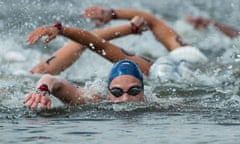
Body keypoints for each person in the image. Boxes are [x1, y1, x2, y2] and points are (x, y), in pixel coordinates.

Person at [29, 6, 208, 75]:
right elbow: (95, 44)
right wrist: (115, 17)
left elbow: (96, 44)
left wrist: (61, 29)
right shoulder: (153, 68)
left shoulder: (152, 69)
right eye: (117, 92)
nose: (125, 97)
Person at [23, 59, 145, 110]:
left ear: (143, 91)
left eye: (133, 91)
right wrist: (43, 89)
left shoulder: (159, 104)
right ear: (108, 92)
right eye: (117, 92)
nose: (125, 99)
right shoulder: (94, 99)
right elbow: (52, 79)